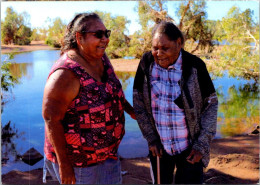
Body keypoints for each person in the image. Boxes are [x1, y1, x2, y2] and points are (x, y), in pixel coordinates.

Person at [42, 12, 135, 184]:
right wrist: (65, 165)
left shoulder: (101, 58)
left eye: (106, 33)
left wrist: (130, 110)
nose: (105, 39)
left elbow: (113, 92)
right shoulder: (66, 73)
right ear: (79, 37)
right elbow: (51, 119)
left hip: (109, 155)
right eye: (98, 34)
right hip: (79, 164)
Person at [133, 21, 218, 184]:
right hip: (159, 148)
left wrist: (201, 144)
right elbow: (139, 103)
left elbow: (211, 104)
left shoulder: (195, 66)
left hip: (190, 148)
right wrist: (151, 138)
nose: (158, 53)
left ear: (179, 43)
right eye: (155, 48)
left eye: (165, 48)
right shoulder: (146, 64)